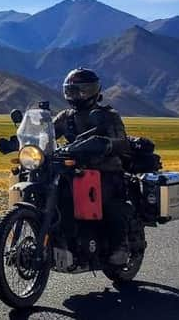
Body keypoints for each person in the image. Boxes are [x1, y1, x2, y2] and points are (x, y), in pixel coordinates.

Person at [53, 68, 132, 266]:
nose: (78, 95)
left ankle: (120, 246)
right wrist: (23, 141)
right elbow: (47, 134)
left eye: (83, 90)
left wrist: (107, 144)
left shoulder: (108, 115)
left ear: (95, 91)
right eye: (72, 91)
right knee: (55, 191)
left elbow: (122, 141)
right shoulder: (66, 117)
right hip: (73, 169)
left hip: (105, 169)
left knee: (106, 201)